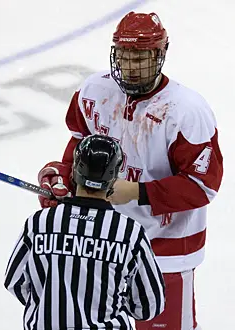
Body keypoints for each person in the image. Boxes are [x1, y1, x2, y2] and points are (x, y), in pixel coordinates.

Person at [37, 12, 223, 330]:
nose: (131, 65)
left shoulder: (186, 111)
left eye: (141, 56)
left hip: (163, 251)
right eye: (124, 55)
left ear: (160, 55)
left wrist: (139, 192)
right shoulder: (94, 91)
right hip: (103, 244)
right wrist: (62, 175)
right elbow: (80, 146)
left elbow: (202, 186)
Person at [4, 134, 165, 330]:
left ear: (73, 171)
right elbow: (149, 305)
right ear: (114, 178)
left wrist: (49, 303)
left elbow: (14, 281)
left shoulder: (40, 222)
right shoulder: (130, 233)